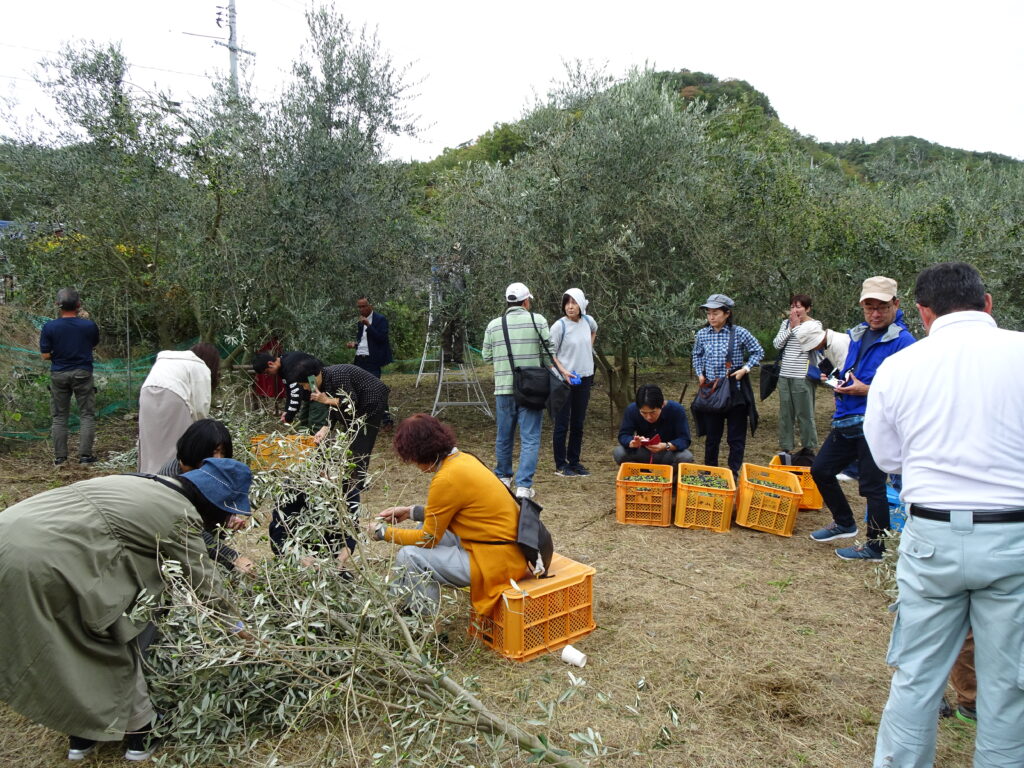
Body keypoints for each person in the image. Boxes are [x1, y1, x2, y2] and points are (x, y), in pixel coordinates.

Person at [866, 262, 1024, 766]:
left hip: (932, 535)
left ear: (923, 312)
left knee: (917, 678)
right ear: (988, 303)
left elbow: (887, 458)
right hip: (1013, 538)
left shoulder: (901, 365)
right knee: (1008, 687)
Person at [0, 458, 252, 762]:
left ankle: (81, 734)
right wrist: (239, 628)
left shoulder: (138, 482)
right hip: (43, 562)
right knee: (108, 634)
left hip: (11, 537)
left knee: (61, 645)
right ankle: (140, 734)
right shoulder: (179, 513)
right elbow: (204, 581)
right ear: (214, 503)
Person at [367, 414, 529, 618]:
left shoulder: (446, 478)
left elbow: (428, 538)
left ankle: (423, 624)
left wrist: (383, 532)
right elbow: (453, 513)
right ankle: (400, 607)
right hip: (508, 550)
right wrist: (411, 512)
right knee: (419, 531)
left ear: (418, 453)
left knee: (409, 556)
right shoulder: (463, 459)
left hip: (497, 562)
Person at [808, 276, 915, 561]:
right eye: (869, 308)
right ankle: (844, 522)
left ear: (896, 304)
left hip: (875, 424)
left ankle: (876, 546)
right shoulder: (858, 334)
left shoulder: (904, 342)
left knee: (872, 486)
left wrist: (865, 389)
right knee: (820, 470)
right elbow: (854, 370)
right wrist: (838, 380)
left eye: (881, 307)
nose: (875, 314)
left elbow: (906, 390)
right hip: (847, 418)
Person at [277, 359, 390, 561]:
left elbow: (350, 402)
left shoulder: (337, 376)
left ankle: (354, 485)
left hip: (371, 400)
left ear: (315, 376)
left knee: (359, 444)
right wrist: (325, 427)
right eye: (303, 386)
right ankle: (346, 478)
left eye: (305, 384)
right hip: (355, 404)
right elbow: (335, 408)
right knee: (347, 438)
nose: (305, 388)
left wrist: (326, 400)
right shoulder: (324, 381)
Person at [481, 282, 569, 499]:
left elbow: (486, 356)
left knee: (504, 435)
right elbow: (548, 352)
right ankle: (523, 486)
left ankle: (503, 477)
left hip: (503, 388)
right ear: (526, 301)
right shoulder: (537, 320)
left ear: (508, 301)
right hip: (532, 389)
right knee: (530, 437)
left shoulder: (494, 325)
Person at [157, 418, 255, 575]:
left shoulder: (208, 473)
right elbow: (188, 530)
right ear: (195, 448)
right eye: (213, 452)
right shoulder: (172, 481)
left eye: (222, 452)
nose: (219, 459)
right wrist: (233, 558)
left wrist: (227, 517)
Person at [691, 294, 764, 475]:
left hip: (735, 392)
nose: (711, 317)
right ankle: (709, 470)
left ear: (727, 313)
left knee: (736, 437)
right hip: (712, 393)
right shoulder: (702, 334)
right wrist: (700, 374)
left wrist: (745, 369)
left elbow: (758, 351)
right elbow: (696, 355)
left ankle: (733, 471)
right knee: (712, 437)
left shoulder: (739, 333)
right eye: (708, 313)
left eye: (715, 313)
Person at [137, 343, 221, 474]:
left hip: (146, 393)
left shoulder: (170, 359)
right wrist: (202, 434)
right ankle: (171, 479)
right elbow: (201, 407)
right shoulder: (201, 366)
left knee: (151, 441)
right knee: (178, 443)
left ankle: (148, 476)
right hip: (174, 397)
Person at [39, 287, 99, 465]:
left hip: (59, 374)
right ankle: (85, 457)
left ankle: (60, 458)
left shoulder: (49, 327)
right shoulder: (89, 326)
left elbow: (45, 355)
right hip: (83, 373)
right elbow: (93, 344)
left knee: (59, 416)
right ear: (78, 305)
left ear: (58, 305)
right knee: (87, 414)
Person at [550, 288, 598, 477]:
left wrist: (588, 347)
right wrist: (563, 371)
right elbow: (550, 353)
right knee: (562, 423)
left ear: (580, 304)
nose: (570, 307)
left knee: (578, 422)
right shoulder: (559, 326)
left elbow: (594, 331)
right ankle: (561, 464)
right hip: (564, 380)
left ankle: (575, 461)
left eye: (574, 302)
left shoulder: (588, 321)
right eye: (567, 303)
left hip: (585, 377)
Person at [772, 293, 818, 456]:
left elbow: (808, 344)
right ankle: (786, 446)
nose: (794, 310)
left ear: (808, 308)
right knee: (786, 413)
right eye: (792, 306)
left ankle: (808, 447)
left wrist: (797, 326)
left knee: (805, 413)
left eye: (799, 306)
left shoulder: (814, 325)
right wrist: (790, 327)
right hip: (785, 374)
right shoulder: (786, 323)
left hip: (803, 376)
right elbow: (777, 344)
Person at [613, 384, 694, 467]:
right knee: (620, 453)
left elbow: (684, 439)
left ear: (662, 405)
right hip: (643, 452)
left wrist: (666, 446)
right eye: (643, 413)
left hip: (668, 452)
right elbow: (623, 435)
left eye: (653, 412)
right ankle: (641, 474)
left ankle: (668, 476)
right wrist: (632, 442)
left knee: (686, 457)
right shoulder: (632, 410)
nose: (648, 417)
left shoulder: (676, 410)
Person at [252, 350, 327, 428]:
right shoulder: (282, 365)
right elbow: (289, 389)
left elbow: (296, 393)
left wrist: (289, 416)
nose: (268, 375)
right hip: (310, 389)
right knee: (304, 420)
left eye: (267, 372)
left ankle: (318, 437)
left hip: (319, 388)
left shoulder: (290, 366)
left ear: (270, 364)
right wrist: (287, 410)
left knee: (315, 422)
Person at [346, 296, 393, 378]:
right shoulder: (360, 322)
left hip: (372, 361)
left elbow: (382, 338)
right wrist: (355, 345)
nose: (361, 309)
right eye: (359, 307)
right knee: (358, 386)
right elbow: (365, 341)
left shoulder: (380, 319)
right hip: (359, 359)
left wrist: (368, 325)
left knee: (373, 388)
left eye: (363, 306)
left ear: (370, 306)